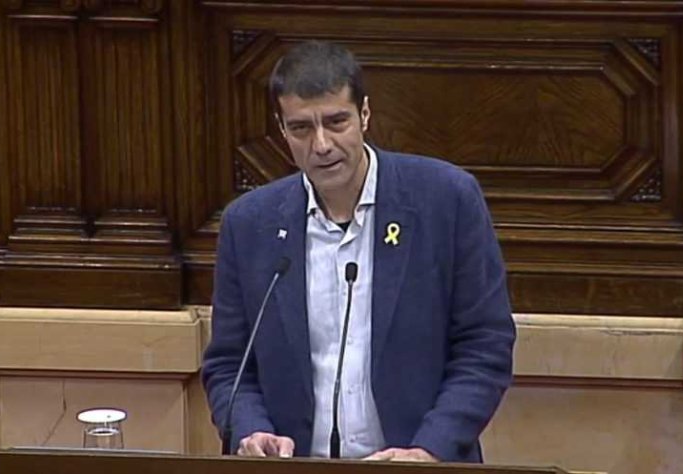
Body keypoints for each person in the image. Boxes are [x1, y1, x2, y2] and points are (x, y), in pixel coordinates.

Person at [201, 40, 515, 463]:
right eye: (301, 128)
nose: (321, 145)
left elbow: (484, 345)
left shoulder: (446, 200)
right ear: (282, 129)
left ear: (364, 114)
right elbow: (229, 364)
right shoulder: (249, 225)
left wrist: (428, 451)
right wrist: (251, 430)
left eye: (336, 122)